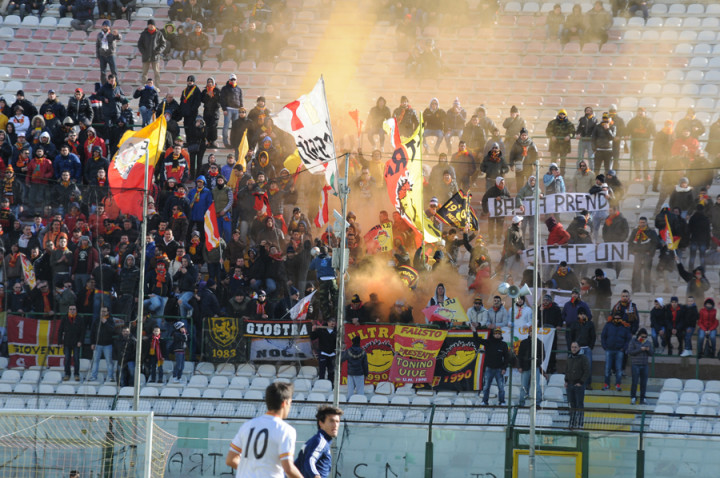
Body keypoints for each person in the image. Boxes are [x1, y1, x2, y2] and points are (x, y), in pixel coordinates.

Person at [226, 382, 303, 478]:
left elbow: (230, 459)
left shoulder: (247, 425)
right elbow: (288, 468)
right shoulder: (286, 430)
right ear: (285, 403)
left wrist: (251, 472)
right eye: (290, 403)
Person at [296, 406, 343, 478]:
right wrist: (316, 476)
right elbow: (310, 460)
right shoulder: (321, 441)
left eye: (337, 421)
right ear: (321, 423)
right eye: (331, 421)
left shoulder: (315, 440)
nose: (335, 425)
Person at [471, 323, 511, 406]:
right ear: (493, 334)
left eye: (498, 334)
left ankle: (502, 402)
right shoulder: (488, 342)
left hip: (499, 369)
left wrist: (504, 368)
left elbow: (506, 358)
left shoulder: (503, 344)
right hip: (489, 368)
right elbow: (477, 340)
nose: (497, 335)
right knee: (486, 387)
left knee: (501, 387)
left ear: (501, 335)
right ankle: (484, 402)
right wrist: (474, 331)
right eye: (496, 333)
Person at [601, 314, 632, 391]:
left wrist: (623, 348)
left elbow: (628, 339)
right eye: (616, 318)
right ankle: (606, 384)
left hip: (619, 350)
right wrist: (605, 346)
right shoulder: (608, 325)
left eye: (619, 318)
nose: (617, 319)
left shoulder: (624, 327)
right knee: (607, 368)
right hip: (609, 349)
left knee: (619, 369)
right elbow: (603, 336)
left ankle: (618, 384)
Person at [569, 309, 596, 389]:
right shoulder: (574, 324)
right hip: (577, 349)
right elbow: (571, 336)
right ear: (578, 315)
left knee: (588, 366)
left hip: (587, 348)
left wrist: (590, 347)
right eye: (581, 314)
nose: (582, 315)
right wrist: (573, 347)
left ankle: (587, 384)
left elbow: (593, 336)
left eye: (584, 314)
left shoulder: (590, 324)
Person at [516, 330, 545, 407]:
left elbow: (543, 356)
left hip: (535, 367)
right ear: (529, 333)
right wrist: (519, 366)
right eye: (531, 332)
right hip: (525, 367)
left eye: (534, 332)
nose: (532, 333)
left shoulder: (539, 343)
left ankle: (538, 403)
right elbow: (519, 356)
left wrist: (537, 363)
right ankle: (521, 403)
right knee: (524, 386)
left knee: (537, 386)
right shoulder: (523, 342)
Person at [565, 342, 590, 429]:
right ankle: (572, 422)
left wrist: (581, 382)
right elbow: (567, 370)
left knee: (579, 404)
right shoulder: (569, 357)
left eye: (575, 347)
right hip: (570, 384)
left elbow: (587, 371)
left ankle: (580, 423)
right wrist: (566, 380)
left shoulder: (583, 358)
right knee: (572, 405)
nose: (574, 349)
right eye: (572, 347)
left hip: (579, 385)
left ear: (579, 348)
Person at [58, 305, 84, 382]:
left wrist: (80, 341)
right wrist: (60, 342)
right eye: (71, 309)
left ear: (76, 310)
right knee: (67, 359)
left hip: (76, 342)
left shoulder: (80, 319)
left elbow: (83, 331)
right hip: (67, 342)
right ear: (68, 310)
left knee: (76, 359)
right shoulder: (65, 318)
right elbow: (60, 331)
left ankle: (76, 374)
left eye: (74, 309)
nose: (72, 310)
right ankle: (67, 374)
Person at [89, 306, 115, 382]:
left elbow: (112, 330)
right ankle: (93, 376)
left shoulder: (110, 320)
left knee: (109, 362)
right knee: (95, 361)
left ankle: (110, 377)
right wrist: (92, 343)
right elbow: (92, 332)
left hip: (108, 344)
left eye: (104, 311)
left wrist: (105, 322)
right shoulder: (97, 320)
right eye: (101, 311)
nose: (103, 312)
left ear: (107, 312)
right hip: (97, 344)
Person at [627, 328, 653, 405]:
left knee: (643, 383)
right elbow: (630, 352)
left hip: (644, 365)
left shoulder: (647, 342)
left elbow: (652, 353)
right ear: (639, 336)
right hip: (635, 364)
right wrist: (640, 349)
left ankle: (643, 398)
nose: (643, 338)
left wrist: (648, 350)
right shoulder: (633, 341)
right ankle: (633, 397)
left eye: (645, 337)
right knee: (634, 382)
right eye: (642, 337)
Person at [137, 20, 166, 85]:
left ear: (154, 25)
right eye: (149, 24)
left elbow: (163, 44)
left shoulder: (159, 33)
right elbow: (139, 44)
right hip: (146, 56)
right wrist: (143, 52)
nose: (151, 26)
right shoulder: (144, 33)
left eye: (152, 24)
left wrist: (158, 51)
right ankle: (145, 87)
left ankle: (157, 87)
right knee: (144, 73)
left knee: (157, 73)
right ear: (147, 25)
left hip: (155, 56)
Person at [96, 20, 121, 85]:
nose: (105, 27)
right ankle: (104, 86)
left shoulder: (112, 34)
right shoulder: (99, 34)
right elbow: (97, 45)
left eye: (106, 26)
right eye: (104, 26)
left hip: (110, 55)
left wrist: (117, 34)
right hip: (102, 55)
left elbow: (119, 37)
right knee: (103, 72)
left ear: (109, 27)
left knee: (114, 71)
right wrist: (98, 56)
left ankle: (116, 86)